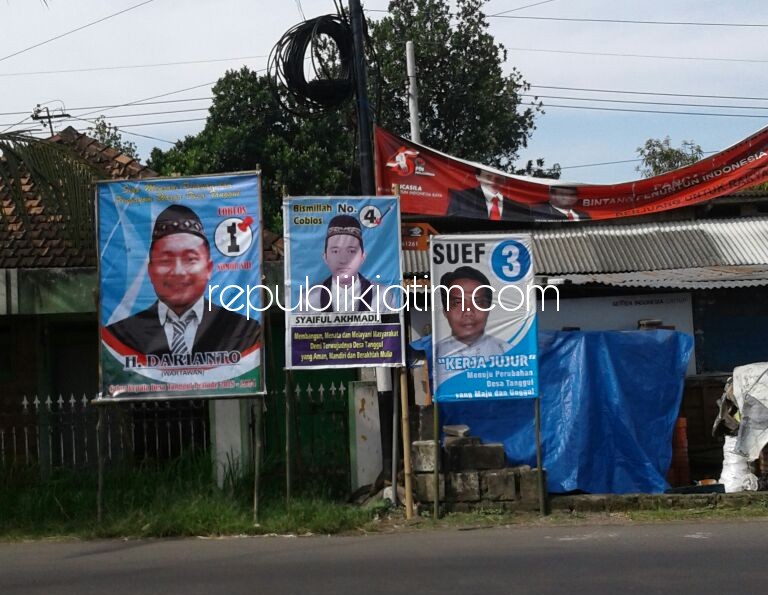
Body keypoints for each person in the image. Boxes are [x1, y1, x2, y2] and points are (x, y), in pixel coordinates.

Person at [105, 204, 261, 357]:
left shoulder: (242, 332)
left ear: (209, 268)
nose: (178, 272)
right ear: (150, 271)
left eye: (190, 259)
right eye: (165, 260)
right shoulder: (120, 337)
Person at [302, 214, 397, 313]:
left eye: (351, 251)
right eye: (335, 251)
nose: (343, 260)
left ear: (362, 257)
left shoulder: (383, 296)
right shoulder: (309, 298)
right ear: (325, 257)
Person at [435, 266, 508, 361]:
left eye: (478, 303)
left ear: (488, 309)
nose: (468, 312)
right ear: (445, 311)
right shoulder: (434, 355)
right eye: (458, 303)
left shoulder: (508, 352)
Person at [446, 169, 534, 221]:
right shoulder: (460, 198)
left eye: (498, 178)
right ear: (478, 177)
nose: (493, 182)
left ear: (504, 180)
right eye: (488, 177)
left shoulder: (518, 207)